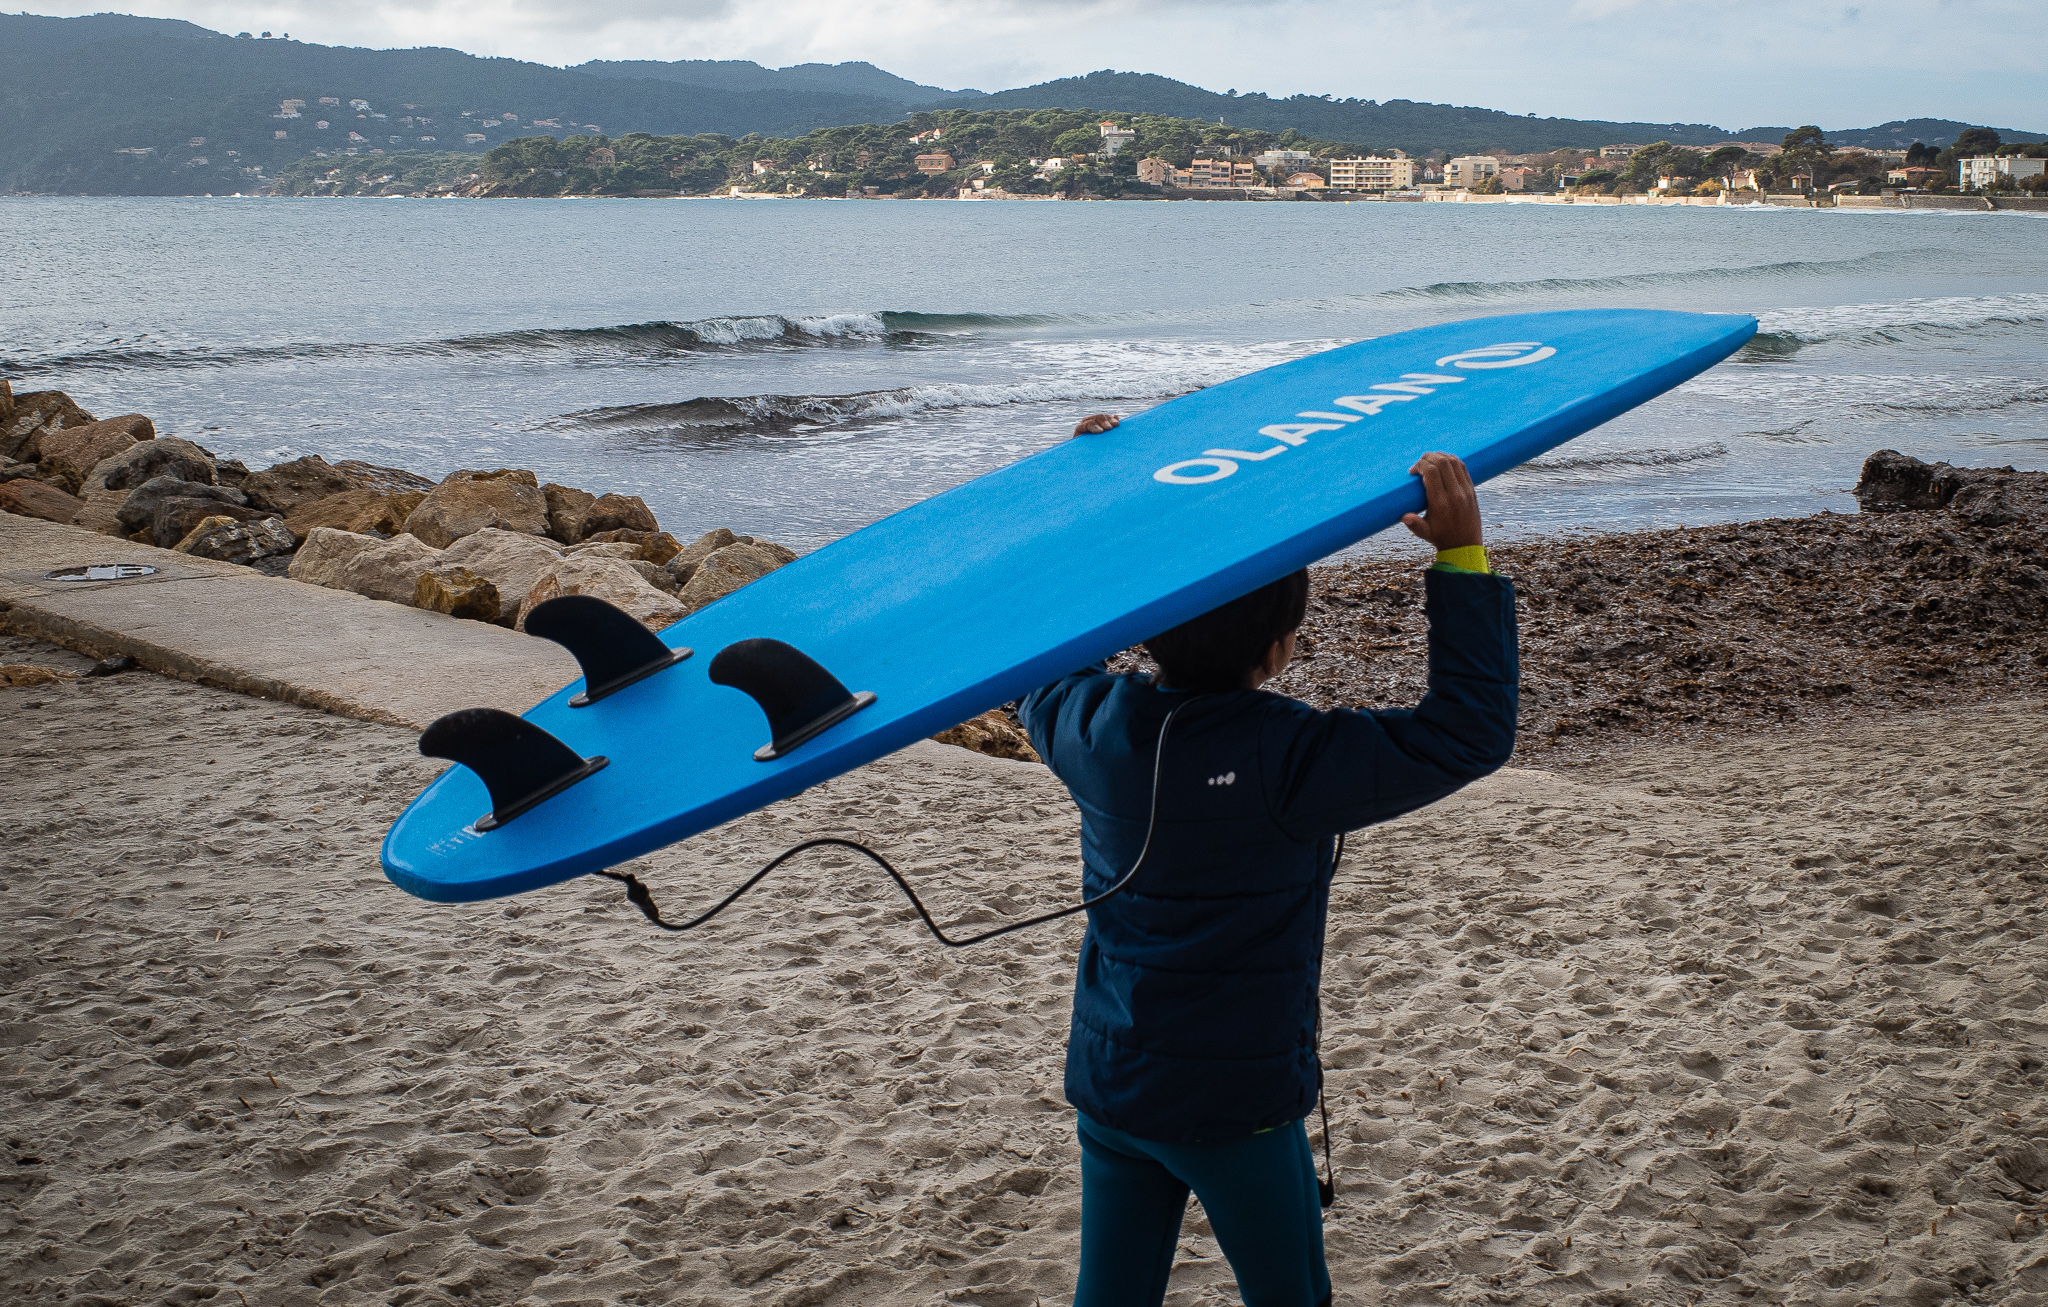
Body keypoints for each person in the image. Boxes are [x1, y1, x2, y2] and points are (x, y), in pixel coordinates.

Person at [1018, 413, 1520, 1307]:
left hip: (1112, 1081)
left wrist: (1099, 491)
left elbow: (1041, 660)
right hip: (1236, 1102)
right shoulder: (1293, 759)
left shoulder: (1087, 728)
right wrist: (1460, 559)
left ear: (1150, 630)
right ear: (1283, 646)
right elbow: (1466, 732)